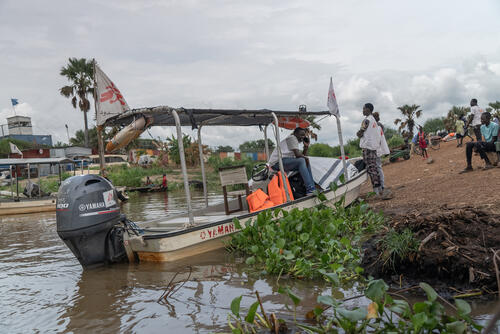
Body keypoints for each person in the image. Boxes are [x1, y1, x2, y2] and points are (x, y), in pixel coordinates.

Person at [267, 127, 315, 195]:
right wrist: (305, 158)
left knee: (306, 162)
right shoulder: (292, 138)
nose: (303, 137)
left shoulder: (295, 141)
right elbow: (298, 155)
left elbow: (301, 156)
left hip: (283, 162)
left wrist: (306, 147)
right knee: (302, 160)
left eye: (304, 135)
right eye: (301, 135)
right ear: (295, 133)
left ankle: (312, 188)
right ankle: (310, 189)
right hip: (276, 163)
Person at [357, 103, 391, 199]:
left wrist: (358, 133)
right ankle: (380, 189)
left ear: (368, 109)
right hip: (374, 148)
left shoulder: (366, 120)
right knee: (375, 169)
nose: (362, 110)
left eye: (363, 109)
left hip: (367, 148)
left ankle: (376, 192)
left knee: (371, 170)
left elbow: (360, 133)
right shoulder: (375, 123)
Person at [372, 112, 390, 193]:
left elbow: (381, 139)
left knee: (376, 168)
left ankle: (381, 186)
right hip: (376, 149)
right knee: (377, 168)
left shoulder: (377, 125)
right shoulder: (378, 125)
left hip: (375, 149)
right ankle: (381, 186)